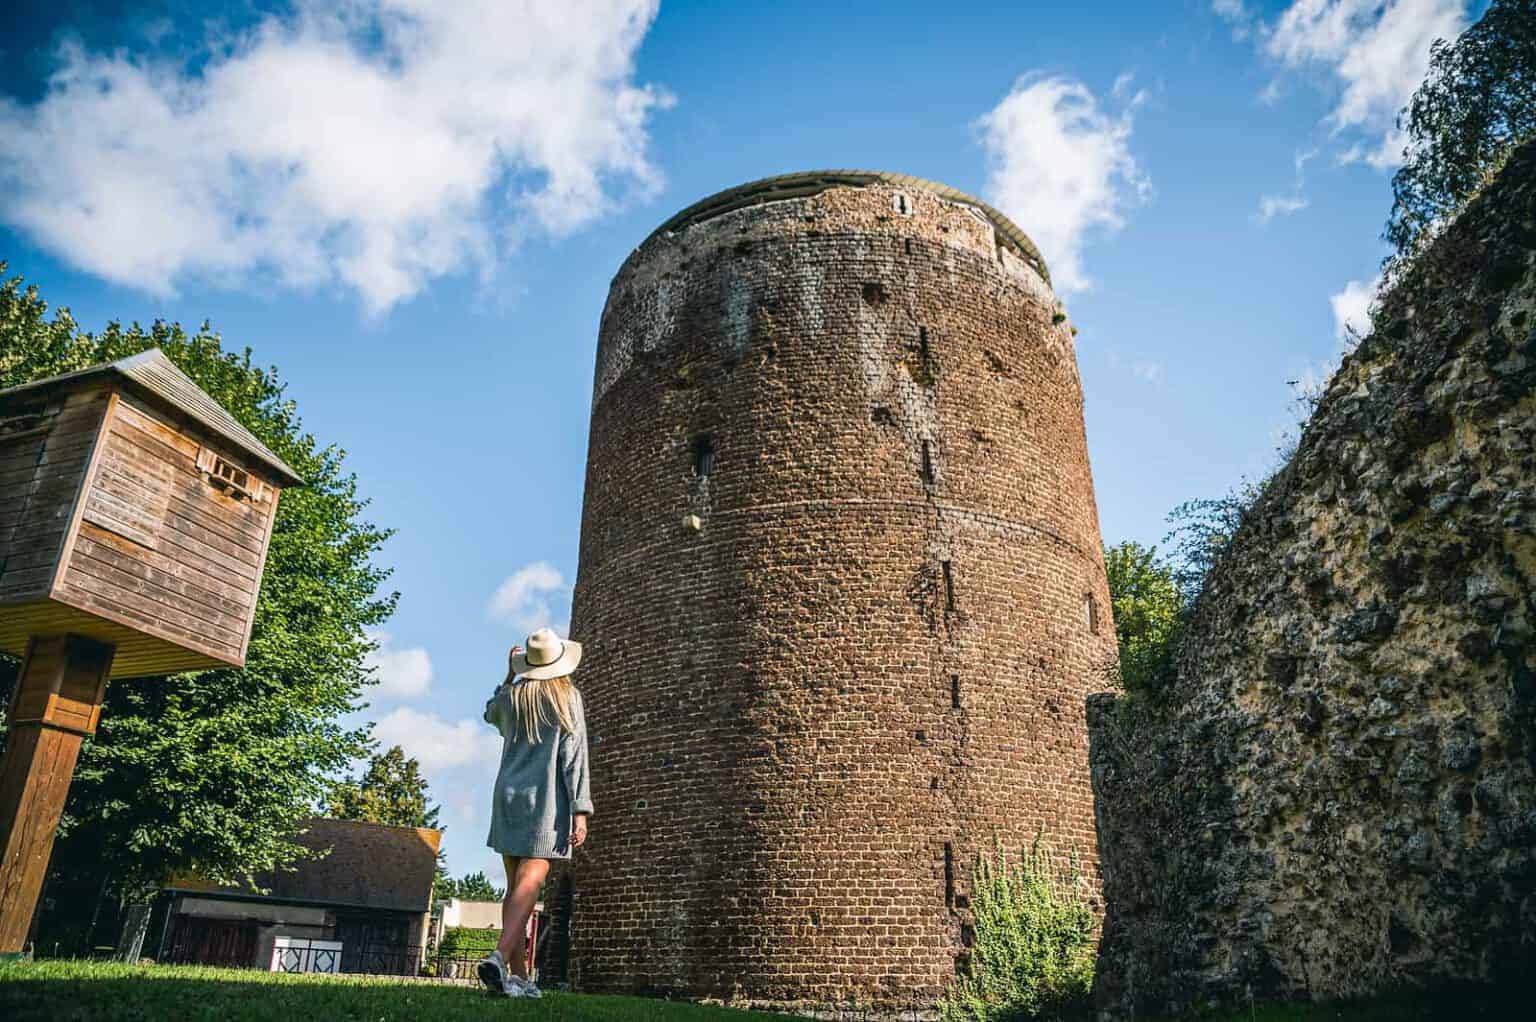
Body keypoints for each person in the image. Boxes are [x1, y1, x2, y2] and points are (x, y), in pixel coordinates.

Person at [476, 627, 593, 998]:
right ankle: (497, 957)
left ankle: (519, 980)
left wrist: (509, 677)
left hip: (507, 796)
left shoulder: (514, 696)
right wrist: (580, 809)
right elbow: (574, 757)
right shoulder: (566, 697)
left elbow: (489, 714)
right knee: (530, 884)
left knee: (515, 891)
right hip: (547, 801)